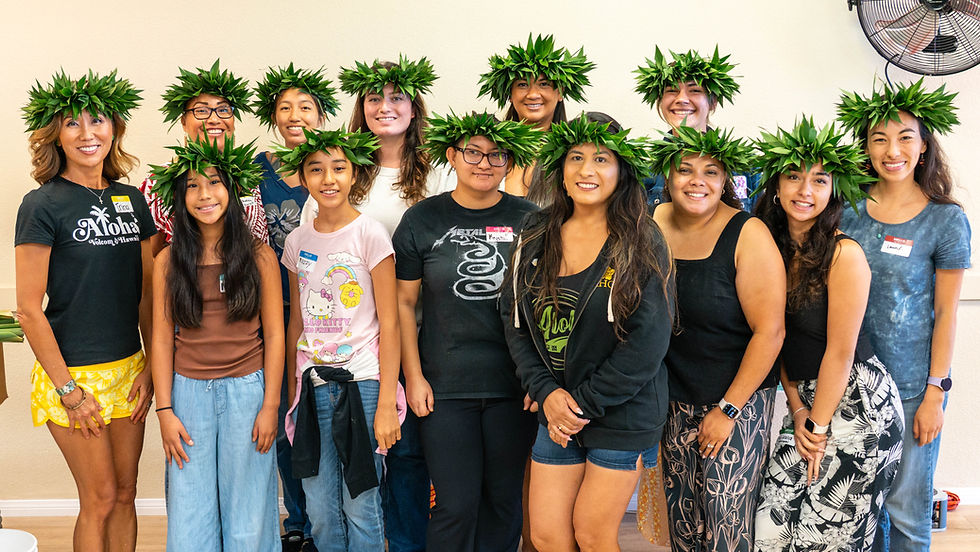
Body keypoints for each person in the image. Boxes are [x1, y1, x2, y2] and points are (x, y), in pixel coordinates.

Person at [297, 55, 452, 552]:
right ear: (360, 109)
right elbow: (311, 264)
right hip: (357, 341)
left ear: (414, 106)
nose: (384, 107)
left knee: (407, 454)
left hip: (428, 333)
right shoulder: (339, 172)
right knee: (357, 461)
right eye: (373, 98)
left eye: (396, 97)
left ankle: (403, 544)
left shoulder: (440, 170)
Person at [501, 112, 674, 551]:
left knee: (594, 536)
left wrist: (579, 405)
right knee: (546, 535)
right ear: (560, 168)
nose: (587, 170)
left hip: (622, 410)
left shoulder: (642, 238)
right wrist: (546, 393)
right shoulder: (536, 231)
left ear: (621, 170)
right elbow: (514, 319)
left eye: (602, 159)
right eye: (576, 157)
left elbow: (648, 341)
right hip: (557, 404)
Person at [752, 117, 905, 551]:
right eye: (794, 177)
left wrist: (817, 427)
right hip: (808, 400)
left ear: (834, 190)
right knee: (770, 532)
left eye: (820, 180)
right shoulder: (768, 250)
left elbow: (840, 353)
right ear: (776, 186)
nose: (805, 190)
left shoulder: (845, 254)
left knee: (827, 540)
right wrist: (798, 411)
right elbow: (773, 336)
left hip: (859, 403)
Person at [393, 111, 542, 551]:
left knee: (502, 501)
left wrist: (541, 380)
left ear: (510, 161)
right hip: (443, 387)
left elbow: (542, 305)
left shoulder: (532, 219)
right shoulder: (422, 220)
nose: (484, 162)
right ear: (453, 156)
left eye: (497, 154)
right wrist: (413, 377)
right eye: (473, 152)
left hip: (513, 387)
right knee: (455, 504)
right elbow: (403, 304)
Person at [16, 69, 151, 552]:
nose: (87, 133)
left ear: (113, 128)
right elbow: (29, 310)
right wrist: (69, 390)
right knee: (99, 497)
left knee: (127, 494)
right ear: (56, 135)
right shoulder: (43, 205)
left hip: (129, 368)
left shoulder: (131, 200)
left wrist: (152, 365)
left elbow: (148, 296)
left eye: (97, 121)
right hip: (72, 373)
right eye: (73, 124)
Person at [837, 79, 972, 552]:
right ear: (867, 148)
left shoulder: (945, 219)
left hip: (914, 389)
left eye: (905, 137)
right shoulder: (844, 209)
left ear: (923, 145)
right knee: (857, 511)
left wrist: (937, 390)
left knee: (907, 514)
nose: (892, 150)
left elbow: (946, 312)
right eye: (879, 139)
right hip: (847, 388)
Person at [646, 126, 786, 552]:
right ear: (667, 176)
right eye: (684, 169)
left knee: (727, 523)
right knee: (684, 521)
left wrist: (728, 409)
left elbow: (771, 332)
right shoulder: (653, 222)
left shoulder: (749, 233)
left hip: (736, 400)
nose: (696, 181)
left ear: (725, 180)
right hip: (672, 398)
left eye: (710, 171)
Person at [148, 136, 283, 551]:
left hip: (248, 391)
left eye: (214, 182)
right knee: (191, 510)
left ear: (233, 189)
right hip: (188, 395)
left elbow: (276, 333)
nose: (204, 194)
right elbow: (162, 337)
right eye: (192, 185)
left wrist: (270, 405)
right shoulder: (167, 261)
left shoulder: (260, 256)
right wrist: (165, 410)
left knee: (250, 509)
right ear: (180, 197)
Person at [278, 128, 400, 552]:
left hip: (362, 383)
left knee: (361, 503)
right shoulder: (296, 242)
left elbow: (391, 323)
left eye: (338, 168)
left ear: (354, 174)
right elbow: (298, 323)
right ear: (303, 177)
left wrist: (387, 401)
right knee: (320, 508)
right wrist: (290, 385)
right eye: (316, 169)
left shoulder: (371, 234)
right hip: (312, 386)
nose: (328, 178)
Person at [253, 62, 341, 552]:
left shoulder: (337, 166)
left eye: (305, 106)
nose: (294, 115)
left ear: (321, 113)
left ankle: (336, 521)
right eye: (284, 108)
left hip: (332, 313)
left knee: (331, 416)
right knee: (286, 414)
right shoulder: (257, 168)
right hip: (274, 313)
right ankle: (298, 521)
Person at [140, 59, 268, 257]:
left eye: (223, 109)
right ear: (183, 121)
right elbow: (150, 259)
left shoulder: (248, 177)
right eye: (201, 110)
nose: (214, 119)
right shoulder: (159, 182)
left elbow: (260, 249)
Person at [633, 46, 760, 211]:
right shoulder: (643, 172)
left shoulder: (746, 169)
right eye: (672, 90)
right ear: (659, 100)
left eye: (694, 90)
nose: (682, 99)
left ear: (713, 102)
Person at [478, 34, 595, 204]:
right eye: (522, 85)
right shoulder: (486, 152)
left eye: (544, 84)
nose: (533, 94)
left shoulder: (574, 153)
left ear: (561, 91)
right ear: (510, 94)